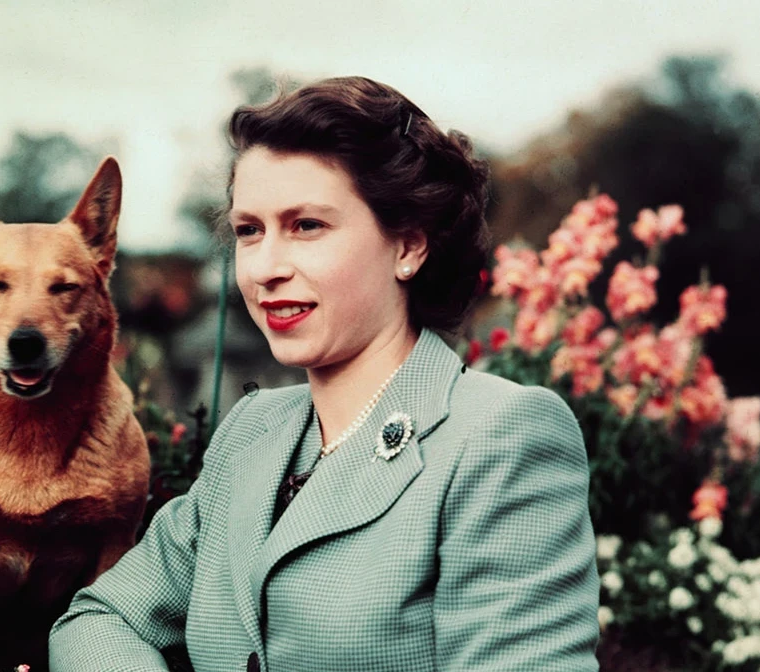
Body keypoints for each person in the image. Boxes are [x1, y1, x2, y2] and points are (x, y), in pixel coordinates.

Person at [49, 76, 599, 671]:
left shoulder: (501, 434)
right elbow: (99, 619)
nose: (264, 268)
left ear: (408, 247)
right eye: (249, 231)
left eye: (307, 225)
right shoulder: (253, 432)